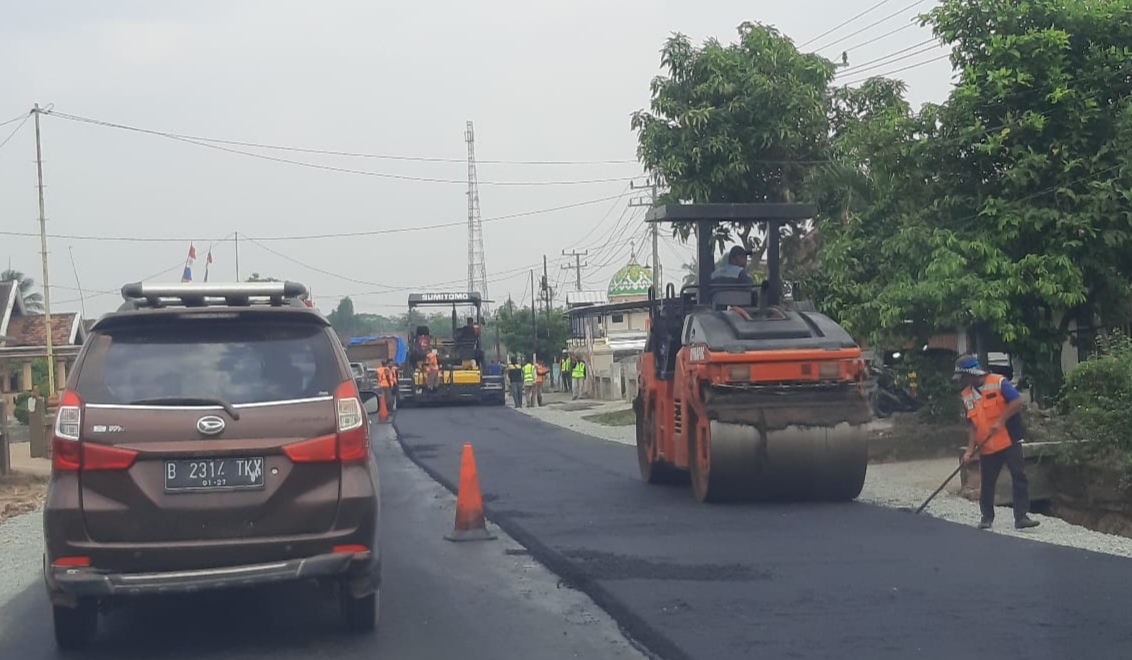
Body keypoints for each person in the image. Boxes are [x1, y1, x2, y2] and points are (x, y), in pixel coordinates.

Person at [955, 354, 1040, 530]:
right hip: (986, 445)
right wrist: (969, 450)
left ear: (971, 373)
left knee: (1019, 476)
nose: (962, 380)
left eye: (963, 376)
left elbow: (1016, 401)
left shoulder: (998, 382)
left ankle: (1021, 516)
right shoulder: (966, 395)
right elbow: (972, 425)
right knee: (987, 482)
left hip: (1008, 440)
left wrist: (1001, 420)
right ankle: (986, 517)